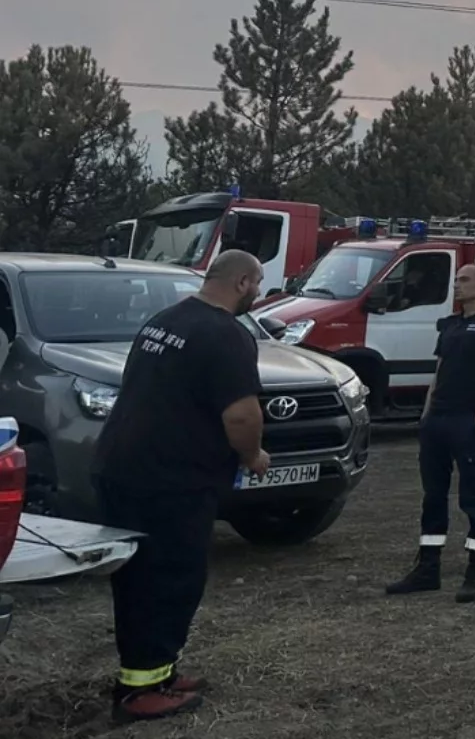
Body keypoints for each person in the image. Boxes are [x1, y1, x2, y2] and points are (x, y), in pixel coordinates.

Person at [91, 251, 268, 723]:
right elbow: (242, 414)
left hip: (124, 466)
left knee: (141, 577)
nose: (258, 294)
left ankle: (159, 672)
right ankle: (140, 690)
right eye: (258, 285)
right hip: (169, 480)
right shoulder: (226, 335)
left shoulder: (165, 320)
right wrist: (253, 456)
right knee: (168, 579)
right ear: (243, 281)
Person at [387, 263, 475, 603]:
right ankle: (428, 568)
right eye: (456, 280)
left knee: (473, 497)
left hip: (466, 421)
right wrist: (426, 415)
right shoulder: (452, 325)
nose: (457, 284)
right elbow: (439, 372)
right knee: (433, 496)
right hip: (437, 422)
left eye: (465, 280)